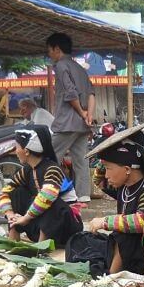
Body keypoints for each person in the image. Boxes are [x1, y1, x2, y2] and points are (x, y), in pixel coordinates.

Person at [87, 123, 144, 275]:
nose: (106, 174)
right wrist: (104, 158)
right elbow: (99, 181)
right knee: (84, 241)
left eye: (108, 169)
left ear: (127, 170)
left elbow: (142, 221)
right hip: (129, 253)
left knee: (122, 234)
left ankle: (112, 276)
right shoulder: (124, 187)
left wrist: (105, 222)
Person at [0, 125, 83, 245]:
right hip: (39, 223)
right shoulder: (27, 170)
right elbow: (5, 192)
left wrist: (25, 218)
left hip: (65, 228)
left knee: (49, 200)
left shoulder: (52, 169)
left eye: (17, 147)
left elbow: (47, 197)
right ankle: (13, 239)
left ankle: (42, 247)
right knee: (16, 192)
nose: (15, 151)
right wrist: (10, 214)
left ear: (26, 151)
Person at [46, 33, 95, 203]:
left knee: (49, 158)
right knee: (81, 162)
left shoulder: (60, 65)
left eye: (49, 51)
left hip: (67, 123)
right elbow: (91, 94)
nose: (49, 54)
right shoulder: (80, 68)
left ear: (57, 49)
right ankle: (83, 196)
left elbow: (70, 92)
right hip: (82, 125)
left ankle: (45, 194)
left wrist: (82, 113)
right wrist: (88, 116)